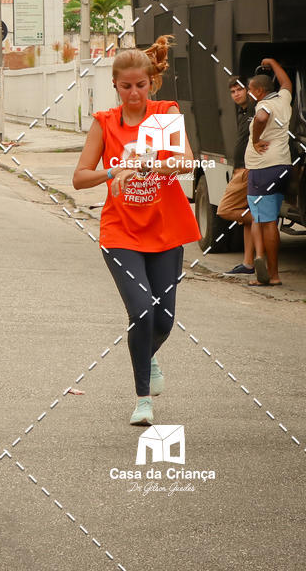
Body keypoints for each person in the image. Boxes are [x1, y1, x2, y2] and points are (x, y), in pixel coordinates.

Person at [72, 35, 201, 426]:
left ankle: (148, 353)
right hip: (121, 234)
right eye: (125, 86)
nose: (133, 93)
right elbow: (80, 178)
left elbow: (187, 163)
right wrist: (113, 171)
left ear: (151, 83)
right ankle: (143, 400)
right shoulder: (105, 123)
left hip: (166, 230)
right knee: (142, 313)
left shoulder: (164, 114)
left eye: (140, 85)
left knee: (163, 320)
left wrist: (149, 166)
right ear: (115, 85)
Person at [244, 58, 293, 287]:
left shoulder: (263, 105)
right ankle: (264, 264)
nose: (249, 93)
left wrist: (255, 140)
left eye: (251, 89)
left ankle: (271, 274)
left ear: (260, 91)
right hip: (282, 165)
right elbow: (286, 84)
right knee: (266, 217)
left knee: (266, 221)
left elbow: (262, 118)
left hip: (263, 168)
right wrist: (274, 63)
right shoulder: (283, 100)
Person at [218, 76, 256, 275]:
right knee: (245, 217)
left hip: (248, 170)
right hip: (240, 169)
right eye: (232, 92)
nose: (236, 94)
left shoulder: (256, 108)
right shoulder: (242, 112)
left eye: (239, 90)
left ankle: (262, 221)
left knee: (225, 210)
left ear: (249, 90)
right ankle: (248, 263)